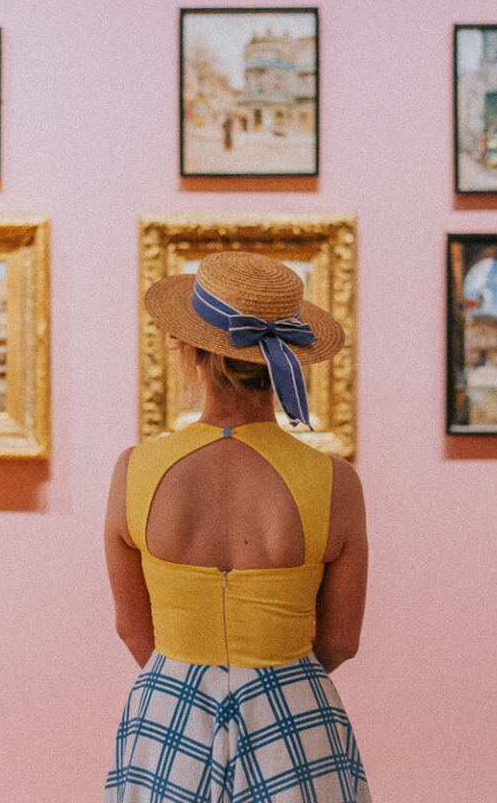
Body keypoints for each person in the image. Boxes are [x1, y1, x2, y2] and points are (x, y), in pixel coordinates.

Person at [103, 251, 370, 802]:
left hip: (168, 710)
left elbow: (133, 628)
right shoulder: (334, 482)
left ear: (192, 354)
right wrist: (269, 675)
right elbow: (341, 639)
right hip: (296, 714)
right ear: (285, 362)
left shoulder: (135, 471)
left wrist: (192, 675)